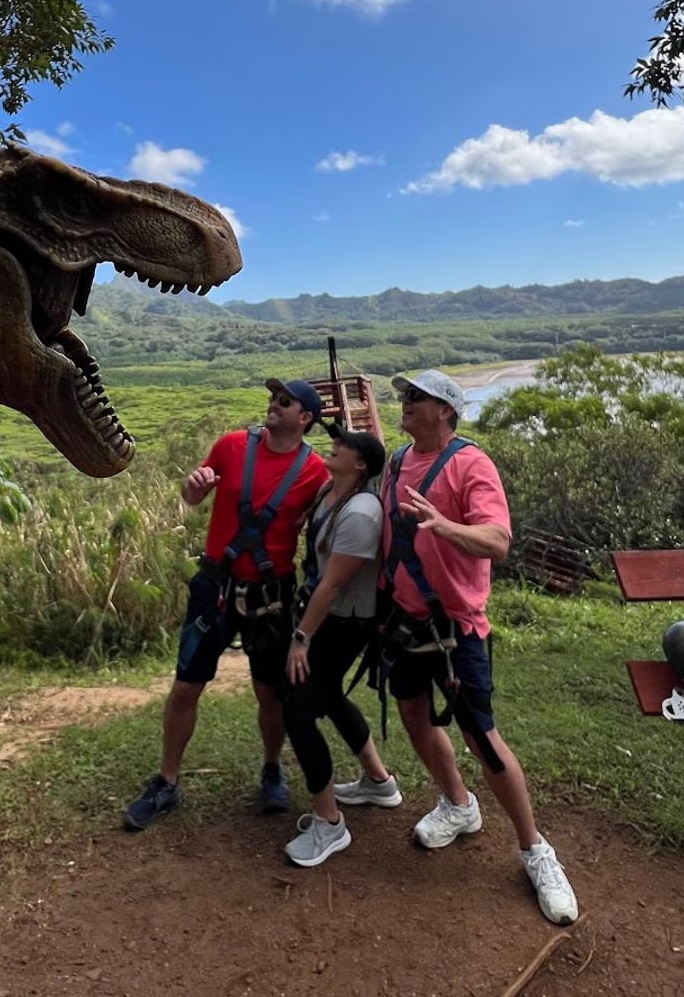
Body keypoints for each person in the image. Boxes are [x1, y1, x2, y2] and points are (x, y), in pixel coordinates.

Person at [377, 369, 579, 925]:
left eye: (415, 397)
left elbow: (498, 540)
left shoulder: (471, 464)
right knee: (415, 717)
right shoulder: (397, 462)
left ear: (445, 409)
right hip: (405, 621)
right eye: (404, 396)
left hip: (456, 628)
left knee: (482, 738)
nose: (405, 403)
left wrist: (443, 525)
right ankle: (459, 806)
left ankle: (536, 849)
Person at [123, 377, 331, 831]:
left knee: (270, 693)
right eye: (273, 398)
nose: (273, 405)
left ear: (306, 419)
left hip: (271, 597)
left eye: (285, 401)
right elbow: (193, 494)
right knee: (186, 687)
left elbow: (331, 520)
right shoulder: (232, 446)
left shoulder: (317, 472)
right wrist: (193, 487)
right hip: (215, 586)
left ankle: (272, 768)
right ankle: (168, 780)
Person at [278, 424, 401, 867]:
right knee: (326, 696)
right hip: (330, 618)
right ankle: (379, 782)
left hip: (343, 623)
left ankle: (329, 824)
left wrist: (300, 640)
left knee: (297, 709)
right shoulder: (331, 496)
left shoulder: (362, 513)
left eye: (344, 445)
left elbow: (331, 587)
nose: (336, 446)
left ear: (361, 464)